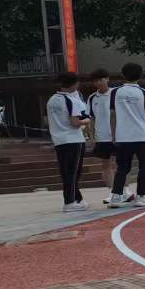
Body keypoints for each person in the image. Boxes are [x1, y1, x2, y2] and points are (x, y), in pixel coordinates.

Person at [107, 62, 145, 208]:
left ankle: (116, 197)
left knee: (122, 167)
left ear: (123, 75)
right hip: (143, 136)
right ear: (141, 76)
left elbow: (113, 115)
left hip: (123, 136)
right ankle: (141, 197)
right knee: (144, 167)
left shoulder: (115, 92)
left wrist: (114, 134)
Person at [46, 71, 89, 212]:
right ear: (74, 84)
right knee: (73, 172)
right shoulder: (71, 101)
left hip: (59, 140)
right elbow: (75, 122)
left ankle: (78, 199)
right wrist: (89, 120)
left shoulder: (52, 100)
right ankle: (69, 202)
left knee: (67, 171)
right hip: (73, 139)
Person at [86, 69, 118, 198]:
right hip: (102, 137)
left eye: (101, 79)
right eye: (95, 81)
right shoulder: (92, 98)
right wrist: (92, 137)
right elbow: (91, 119)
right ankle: (111, 191)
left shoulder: (116, 94)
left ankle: (123, 190)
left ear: (107, 79)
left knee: (120, 164)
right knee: (106, 164)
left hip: (118, 136)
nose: (98, 83)